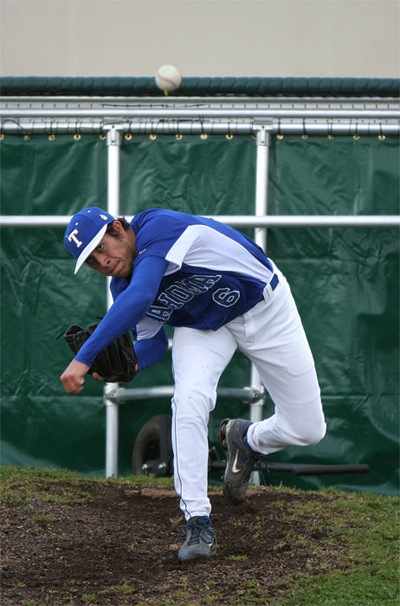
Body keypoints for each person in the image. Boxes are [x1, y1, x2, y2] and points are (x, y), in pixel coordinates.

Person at [60, 206, 326, 562]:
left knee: (307, 429)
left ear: (119, 229)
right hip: (202, 327)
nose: (102, 261)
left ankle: (246, 440)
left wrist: (85, 357)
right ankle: (198, 521)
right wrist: (130, 365)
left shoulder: (159, 227)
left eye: (101, 248)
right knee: (188, 402)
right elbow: (152, 341)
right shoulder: (120, 286)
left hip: (264, 308)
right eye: (91, 260)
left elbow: (141, 296)